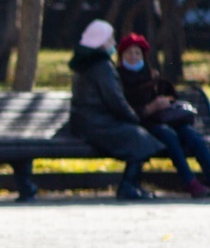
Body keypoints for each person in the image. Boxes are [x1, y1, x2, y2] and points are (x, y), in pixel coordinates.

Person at [68, 19, 164, 201]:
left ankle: (132, 184)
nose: (113, 43)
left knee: (139, 137)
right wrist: (133, 117)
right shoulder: (102, 66)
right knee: (140, 138)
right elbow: (114, 100)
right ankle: (128, 185)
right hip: (98, 124)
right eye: (110, 38)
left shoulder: (83, 63)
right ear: (101, 41)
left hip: (84, 122)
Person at [116, 32, 210, 198]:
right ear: (121, 55)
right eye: (129, 53)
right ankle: (190, 182)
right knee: (169, 135)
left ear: (143, 56)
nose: (133, 56)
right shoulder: (117, 78)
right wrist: (151, 107)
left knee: (192, 135)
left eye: (137, 53)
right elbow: (125, 110)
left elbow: (172, 96)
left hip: (166, 119)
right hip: (144, 125)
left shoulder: (152, 74)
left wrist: (166, 101)